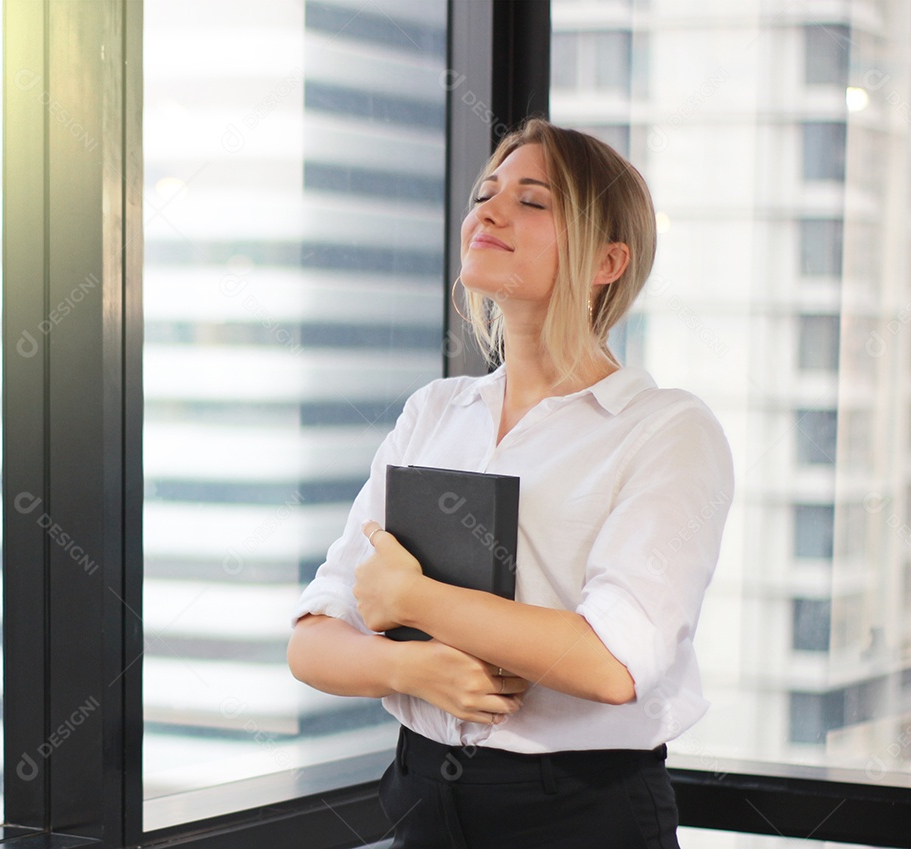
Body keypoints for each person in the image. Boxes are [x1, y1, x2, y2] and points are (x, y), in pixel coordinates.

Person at [287, 118, 734, 849]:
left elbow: (612, 662)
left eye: (532, 201)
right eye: (484, 194)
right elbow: (312, 641)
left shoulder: (666, 428)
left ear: (607, 261)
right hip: (422, 800)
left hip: (577, 815)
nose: (487, 212)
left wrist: (413, 598)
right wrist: (409, 665)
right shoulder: (434, 412)